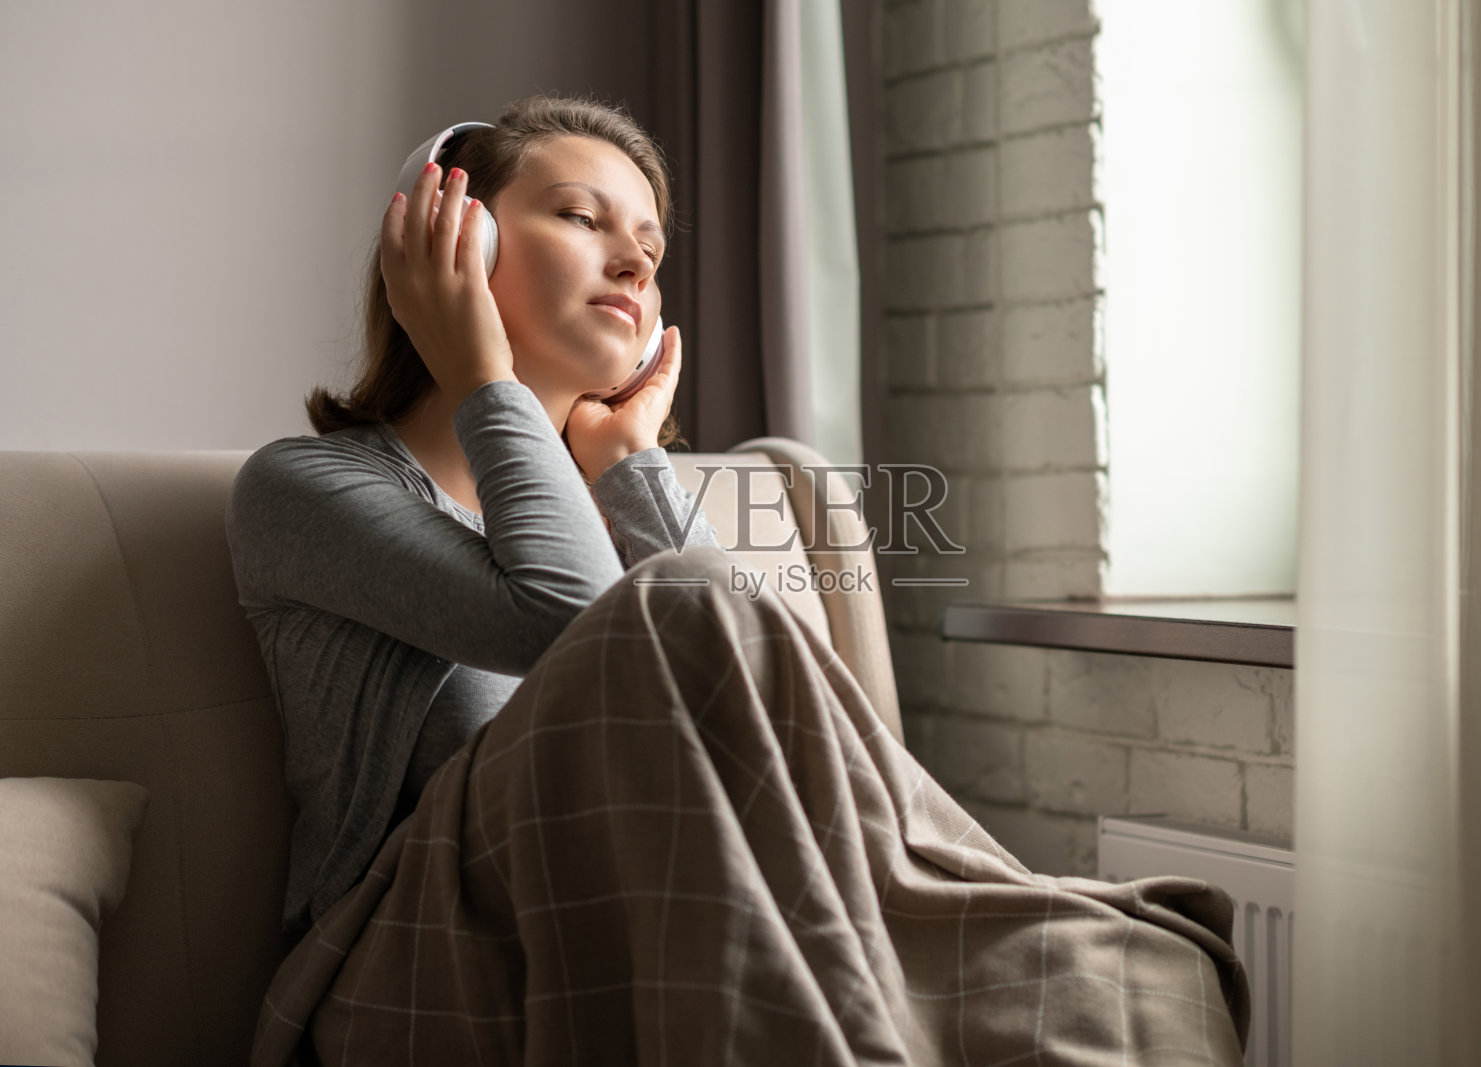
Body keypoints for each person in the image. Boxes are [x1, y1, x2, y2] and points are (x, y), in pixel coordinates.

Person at [231, 95, 1249, 1065]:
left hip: (660, 917)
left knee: (1131, 971)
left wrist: (629, 460)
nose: (633, 257)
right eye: (583, 217)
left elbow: (777, 728)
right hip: (414, 966)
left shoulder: (618, 508)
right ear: (458, 242)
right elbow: (581, 628)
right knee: (683, 599)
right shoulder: (303, 487)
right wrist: (485, 378)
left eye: (651, 247)